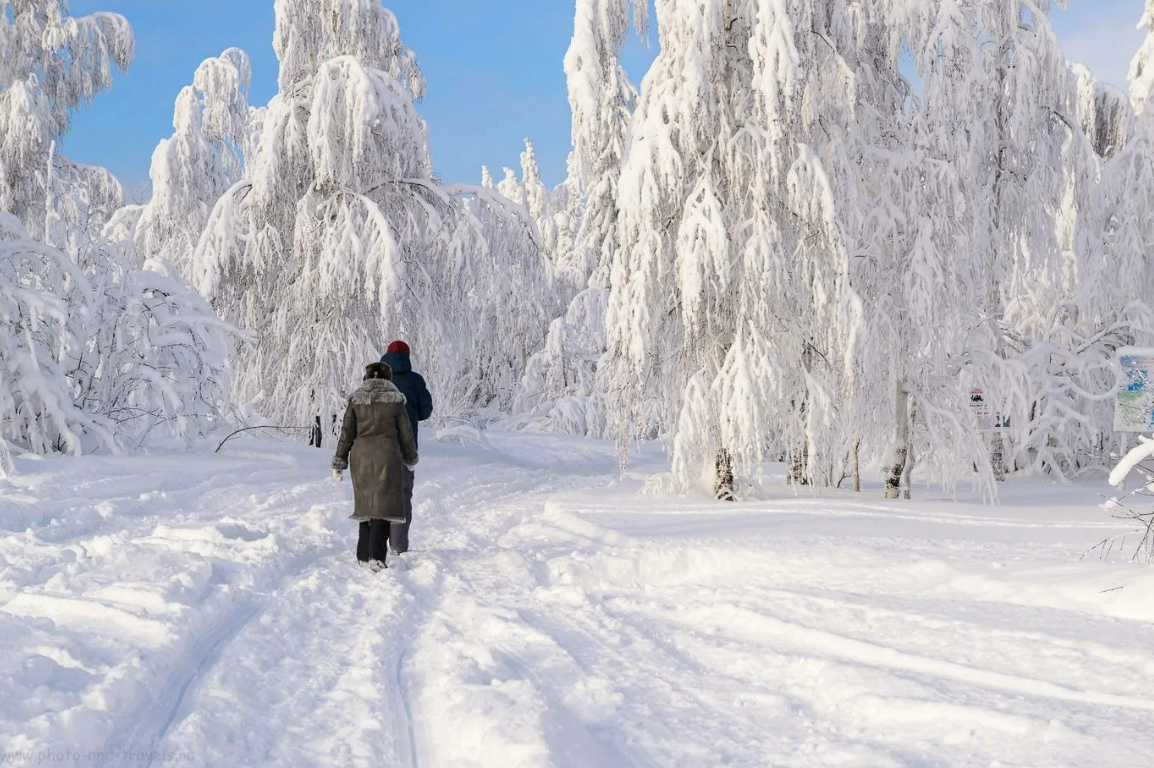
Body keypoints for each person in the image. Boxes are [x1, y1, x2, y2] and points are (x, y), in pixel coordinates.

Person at [332, 362, 418, 571]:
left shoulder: (355, 401)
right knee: (383, 505)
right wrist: (410, 458)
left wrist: (339, 461)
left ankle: (363, 554)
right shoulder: (396, 401)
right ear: (388, 379)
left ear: (366, 378)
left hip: (360, 457)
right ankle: (376, 557)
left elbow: (346, 433)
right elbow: (406, 433)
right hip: (387, 455)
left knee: (365, 505)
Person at [380, 340, 432, 554]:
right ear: (408, 356)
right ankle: (398, 546)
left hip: (377, 446)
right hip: (405, 447)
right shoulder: (415, 380)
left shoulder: (377, 379)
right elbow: (425, 412)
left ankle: (375, 546)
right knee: (402, 495)